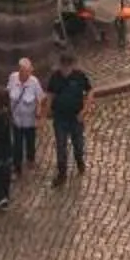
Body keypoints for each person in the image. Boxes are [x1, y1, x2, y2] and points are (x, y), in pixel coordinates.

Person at [45, 55, 91, 184]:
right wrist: (48, 109)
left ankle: (79, 160)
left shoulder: (79, 76)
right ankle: (62, 173)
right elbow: (50, 94)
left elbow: (90, 91)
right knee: (61, 145)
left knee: (78, 143)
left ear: (71, 65)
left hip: (76, 117)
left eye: (67, 66)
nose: (64, 69)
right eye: (62, 65)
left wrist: (85, 110)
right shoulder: (55, 77)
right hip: (60, 118)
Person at [5, 58, 43, 175]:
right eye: (24, 71)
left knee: (30, 142)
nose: (26, 74)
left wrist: (39, 111)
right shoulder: (12, 78)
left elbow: (40, 98)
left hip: (29, 121)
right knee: (17, 144)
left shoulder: (34, 82)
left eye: (28, 71)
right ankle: (17, 168)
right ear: (20, 71)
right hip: (16, 119)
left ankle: (30, 159)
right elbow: (7, 93)